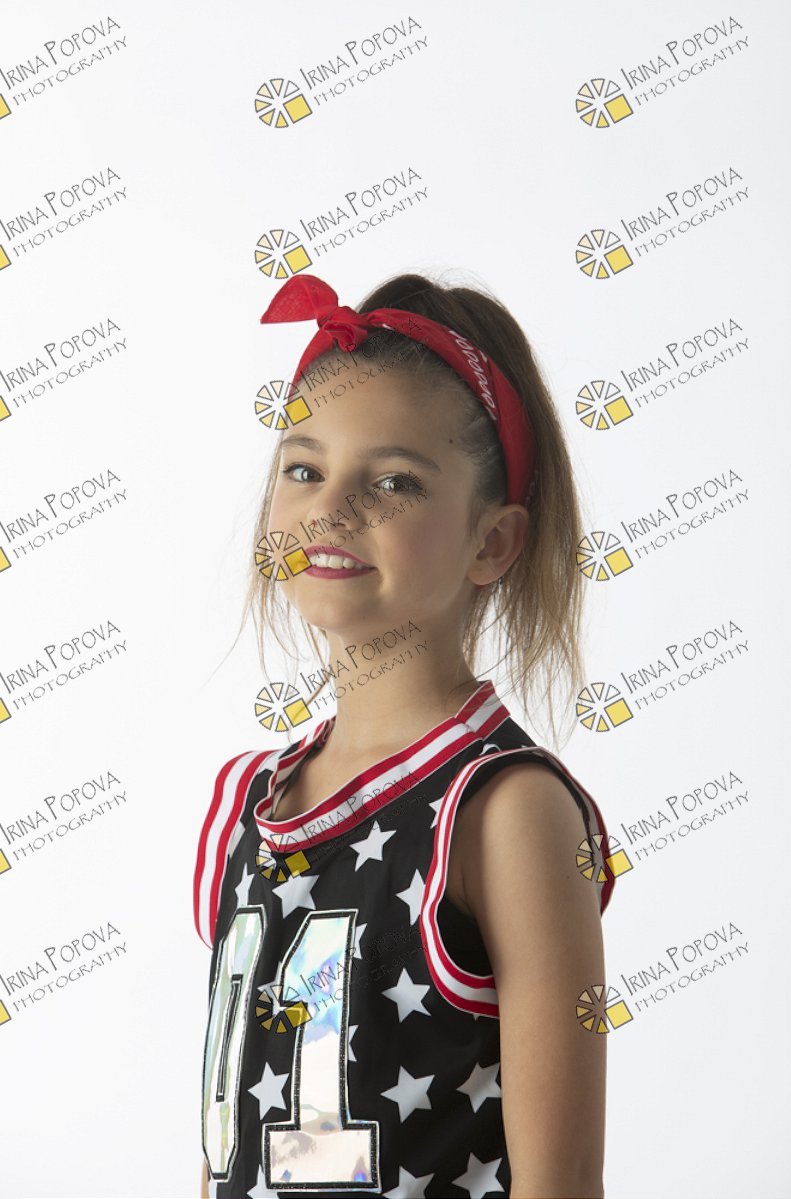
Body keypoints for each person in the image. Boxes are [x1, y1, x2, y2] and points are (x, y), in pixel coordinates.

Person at [193, 270, 617, 1199]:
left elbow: (564, 1182)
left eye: (393, 481)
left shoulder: (505, 808)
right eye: (304, 468)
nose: (330, 507)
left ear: (492, 542)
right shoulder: (244, 804)